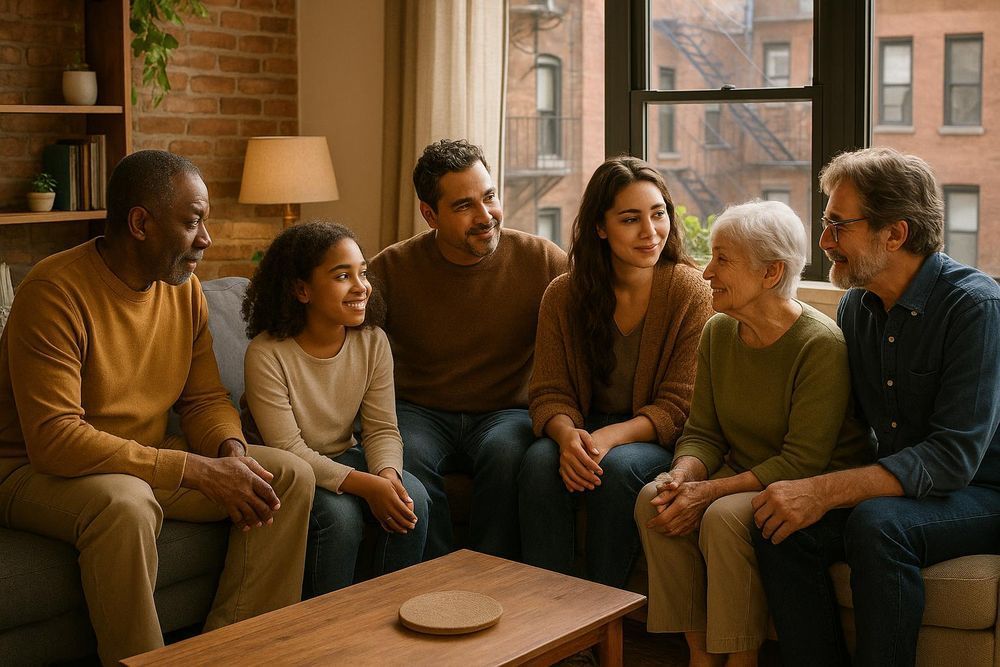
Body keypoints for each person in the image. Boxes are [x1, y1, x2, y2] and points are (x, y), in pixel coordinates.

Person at [0, 150, 314, 665]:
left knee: (285, 476)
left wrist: (231, 452)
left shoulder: (184, 292)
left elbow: (205, 398)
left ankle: (237, 654)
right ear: (140, 223)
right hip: (30, 469)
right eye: (193, 222)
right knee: (125, 504)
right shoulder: (53, 291)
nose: (206, 240)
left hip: (139, 455)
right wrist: (193, 469)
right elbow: (54, 439)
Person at [750, 147, 1000, 667]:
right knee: (777, 519)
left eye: (839, 226)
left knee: (878, 524)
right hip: (905, 488)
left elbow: (953, 459)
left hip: (983, 490)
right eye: (826, 223)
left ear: (896, 233)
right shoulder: (855, 307)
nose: (824, 242)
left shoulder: (974, 307)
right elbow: (849, 426)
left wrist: (824, 490)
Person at [633, 200, 872, 667]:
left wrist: (709, 491)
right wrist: (684, 476)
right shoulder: (719, 331)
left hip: (807, 482)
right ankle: (700, 654)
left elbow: (802, 461)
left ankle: (742, 658)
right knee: (654, 498)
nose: (706, 273)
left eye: (722, 259)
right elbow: (702, 431)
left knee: (723, 516)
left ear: (770, 273)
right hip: (743, 469)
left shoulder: (819, 345)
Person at [517, 156, 712, 588]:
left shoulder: (689, 291)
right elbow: (549, 391)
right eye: (630, 219)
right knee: (537, 464)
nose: (650, 231)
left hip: (653, 437)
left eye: (658, 214)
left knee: (619, 470)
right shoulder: (563, 293)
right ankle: (546, 617)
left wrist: (606, 439)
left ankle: (599, 616)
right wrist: (569, 437)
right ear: (600, 228)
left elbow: (679, 406)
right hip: (585, 429)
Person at [368, 139, 567, 560]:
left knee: (507, 453)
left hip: (505, 410)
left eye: (490, 197)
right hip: (419, 410)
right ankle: (440, 575)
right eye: (463, 206)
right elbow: (349, 347)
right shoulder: (390, 268)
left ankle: (491, 574)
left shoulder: (543, 260)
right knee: (408, 457)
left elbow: (593, 316)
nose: (485, 216)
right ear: (429, 214)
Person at [242, 221, 429, 596]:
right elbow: (289, 451)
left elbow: (381, 429)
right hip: (289, 471)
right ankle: (325, 633)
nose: (361, 286)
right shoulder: (266, 354)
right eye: (343, 276)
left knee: (415, 500)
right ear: (301, 289)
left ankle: (383, 616)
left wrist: (388, 477)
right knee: (341, 519)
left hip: (344, 455)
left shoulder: (373, 342)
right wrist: (368, 486)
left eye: (362, 273)